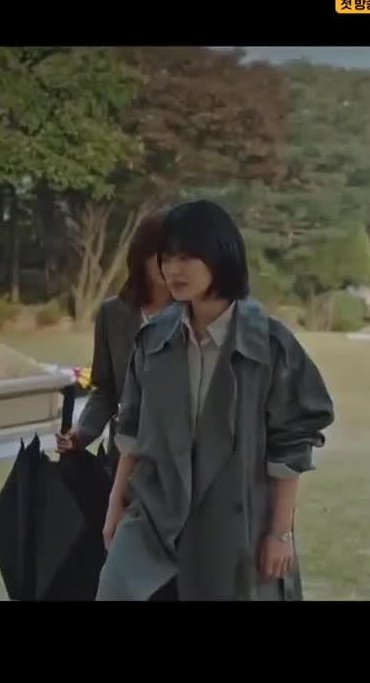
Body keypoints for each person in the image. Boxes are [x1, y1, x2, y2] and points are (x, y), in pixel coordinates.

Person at [96, 199, 335, 601]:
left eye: (186, 257)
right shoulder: (153, 340)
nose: (173, 270)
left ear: (220, 256)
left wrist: (279, 533)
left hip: (235, 523)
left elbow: (290, 446)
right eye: (167, 258)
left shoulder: (271, 345)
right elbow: (132, 432)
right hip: (153, 514)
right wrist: (114, 505)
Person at [56, 212, 172, 465]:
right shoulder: (113, 313)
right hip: (125, 458)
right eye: (160, 252)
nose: (168, 262)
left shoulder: (195, 313)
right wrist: (82, 432)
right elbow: (106, 390)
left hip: (179, 460)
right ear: (141, 255)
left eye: (177, 253)